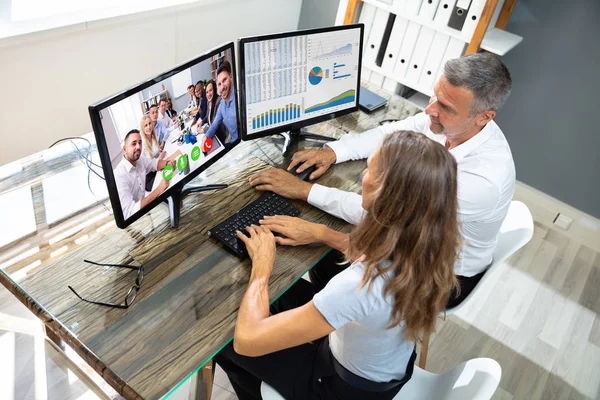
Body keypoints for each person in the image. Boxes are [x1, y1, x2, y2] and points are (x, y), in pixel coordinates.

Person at [248, 53, 515, 308]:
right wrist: (332, 152)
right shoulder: (444, 121)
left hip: (439, 275)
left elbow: (383, 213)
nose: (430, 109)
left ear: (484, 116)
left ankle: (334, 329)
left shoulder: (481, 181)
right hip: (411, 241)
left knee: (301, 272)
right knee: (313, 260)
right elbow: (391, 133)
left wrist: (305, 191)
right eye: (435, 94)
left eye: (445, 107)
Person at [215, 131, 461, 400]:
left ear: (386, 195)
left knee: (223, 341)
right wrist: (320, 233)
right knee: (280, 295)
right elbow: (376, 254)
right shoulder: (434, 241)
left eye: (368, 171)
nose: (362, 177)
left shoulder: (358, 286)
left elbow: (248, 340)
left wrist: (262, 267)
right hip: (384, 368)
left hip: (339, 390)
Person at [113, 130, 175, 219]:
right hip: (135, 220)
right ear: (125, 149)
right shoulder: (119, 176)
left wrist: (167, 163)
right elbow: (130, 212)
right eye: (133, 144)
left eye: (140, 143)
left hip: (145, 210)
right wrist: (159, 189)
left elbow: (154, 164)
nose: (138, 147)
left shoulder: (140, 160)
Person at [204, 60, 238, 144]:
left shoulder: (238, 97)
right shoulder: (222, 104)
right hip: (233, 142)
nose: (222, 87)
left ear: (231, 77)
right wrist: (206, 136)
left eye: (224, 80)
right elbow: (214, 125)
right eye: (219, 84)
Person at [195, 79, 229, 144]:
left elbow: (216, 126)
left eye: (210, 90)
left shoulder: (219, 102)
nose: (208, 94)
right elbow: (207, 115)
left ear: (215, 90)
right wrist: (202, 122)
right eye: (207, 92)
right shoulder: (209, 102)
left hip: (221, 138)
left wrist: (203, 130)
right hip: (213, 135)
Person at [140, 115, 166, 191]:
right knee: (164, 184)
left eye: (149, 123)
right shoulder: (143, 145)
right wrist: (160, 158)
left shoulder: (154, 137)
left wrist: (161, 152)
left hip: (157, 168)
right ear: (142, 128)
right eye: (145, 125)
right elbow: (146, 167)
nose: (148, 127)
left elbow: (156, 153)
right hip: (149, 177)